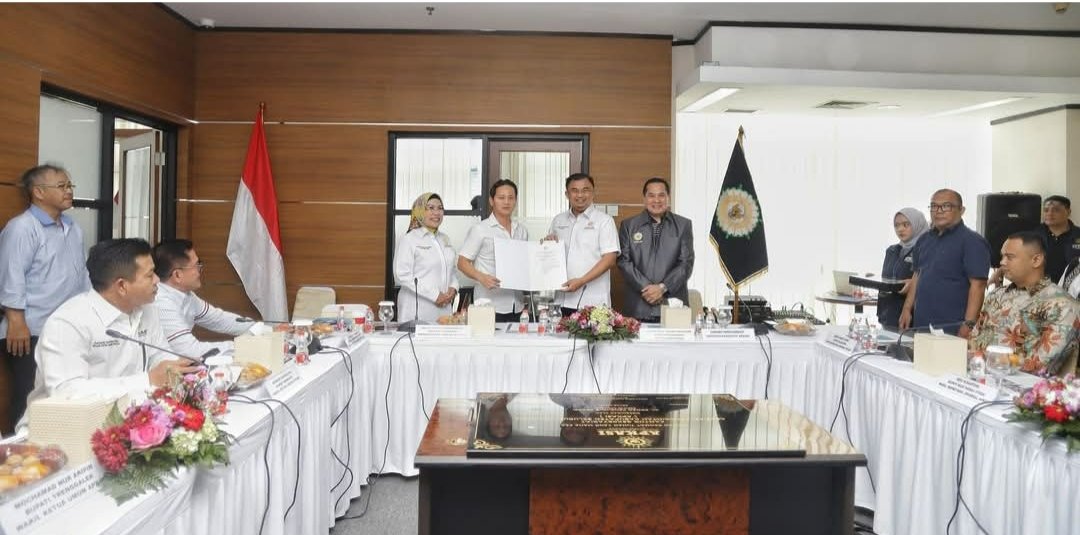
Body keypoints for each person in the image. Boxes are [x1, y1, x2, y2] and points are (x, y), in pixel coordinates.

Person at [17, 239, 200, 432]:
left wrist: (176, 369)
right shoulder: (67, 323)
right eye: (149, 275)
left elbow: (159, 355)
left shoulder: (147, 309)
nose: (157, 280)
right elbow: (66, 393)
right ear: (121, 286)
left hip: (123, 423)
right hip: (58, 431)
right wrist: (146, 380)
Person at [0, 164, 91, 431]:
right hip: (29, 330)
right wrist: (17, 322)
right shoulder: (22, 228)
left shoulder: (73, 228)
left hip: (67, 328)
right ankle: (18, 453)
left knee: (64, 394)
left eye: (69, 185)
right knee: (28, 398)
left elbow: (82, 274)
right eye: (62, 186)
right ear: (38, 192)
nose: (69, 191)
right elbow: (10, 276)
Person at [970, 231, 1079, 375]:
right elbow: (973, 342)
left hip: (1022, 385)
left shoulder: (1063, 306)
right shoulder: (996, 295)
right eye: (1002, 256)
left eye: (1010, 257)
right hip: (977, 378)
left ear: (1036, 260)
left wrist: (989, 362)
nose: (1002, 262)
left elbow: (1040, 366)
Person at [899, 189, 991, 338]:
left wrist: (969, 324)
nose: (938, 211)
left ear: (961, 210)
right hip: (922, 323)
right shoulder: (924, 240)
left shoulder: (973, 241)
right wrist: (906, 309)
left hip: (953, 326)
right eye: (934, 206)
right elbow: (917, 274)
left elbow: (978, 286)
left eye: (946, 206)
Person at [152, 239, 254, 357]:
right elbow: (191, 351)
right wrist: (245, 346)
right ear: (177, 275)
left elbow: (218, 319)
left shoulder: (186, 295)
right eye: (197, 265)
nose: (200, 270)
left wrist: (261, 329)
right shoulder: (161, 302)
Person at [617, 177, 694, 322]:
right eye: (651, 195)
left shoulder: (683, 225)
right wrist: (647, 288)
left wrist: (662, 288)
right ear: (644, 199)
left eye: (661, 195)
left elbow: (686, 263)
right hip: (638, 306)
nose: (656, 200)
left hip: (673, 306)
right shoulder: (628, 225)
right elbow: (623, 261)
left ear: (668, 197)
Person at [545, 173, 619, 315]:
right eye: (574, 190)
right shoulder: (558, 220)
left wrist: (581, 281)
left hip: (593, 302)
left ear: (593, 193)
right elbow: (550, 253)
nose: (580, 195)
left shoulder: (604, 221)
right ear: (567, 194)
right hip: (562, 299)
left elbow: (610, 259)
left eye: (585, 190)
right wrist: (547, 245)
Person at [457, 180, 529, 322]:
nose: (506, 202)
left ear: (515, 201)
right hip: (488, 305)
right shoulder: (480, 229)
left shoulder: (521, 231)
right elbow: (462, 262)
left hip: (517, 305)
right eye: (501, 198)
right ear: (491, 201)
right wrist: (481, 277)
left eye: (511, 198)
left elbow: (524, 262)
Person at [394, 193, 459, 322]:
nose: (436, 213)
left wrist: (453, 288)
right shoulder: (409, 239)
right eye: (430, 208)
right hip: (416, 308)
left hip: (444, 307)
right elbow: (401, 275)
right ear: (419, 211)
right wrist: (435, 295)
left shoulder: (445, 239)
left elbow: (451, 270)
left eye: (440, 208)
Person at [876, 208, 929, 329]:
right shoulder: (892, 250)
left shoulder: (926, 251)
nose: (900, 229)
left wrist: (913, 283)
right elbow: (886, 280)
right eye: (897, 225)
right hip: (887, 316)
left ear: (917, 224)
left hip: (912, 320)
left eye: (906, 225)